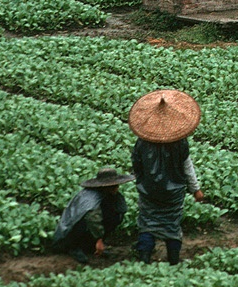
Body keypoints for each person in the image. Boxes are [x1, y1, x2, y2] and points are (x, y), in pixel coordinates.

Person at [129, 89, 205, 265]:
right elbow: (187, 167)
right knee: (172, 223)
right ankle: (173, 261)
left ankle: (144, 258)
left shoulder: (142, 142)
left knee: (147, 220)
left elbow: (136, 166)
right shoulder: (180, 143)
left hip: (148, 189)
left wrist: (142, 181)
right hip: (174, 192)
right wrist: (196, 189)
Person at [52, 167, 132, 264]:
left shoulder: (110, 196)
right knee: (84, 222)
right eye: (113, 186)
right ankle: (73, 247)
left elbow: (119, 210)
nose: (116, 188)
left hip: (91, 227)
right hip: (72, 230)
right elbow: (93, 217)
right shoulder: (90, 197)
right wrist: (99, 239)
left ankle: (90, 246)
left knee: (115, 217)